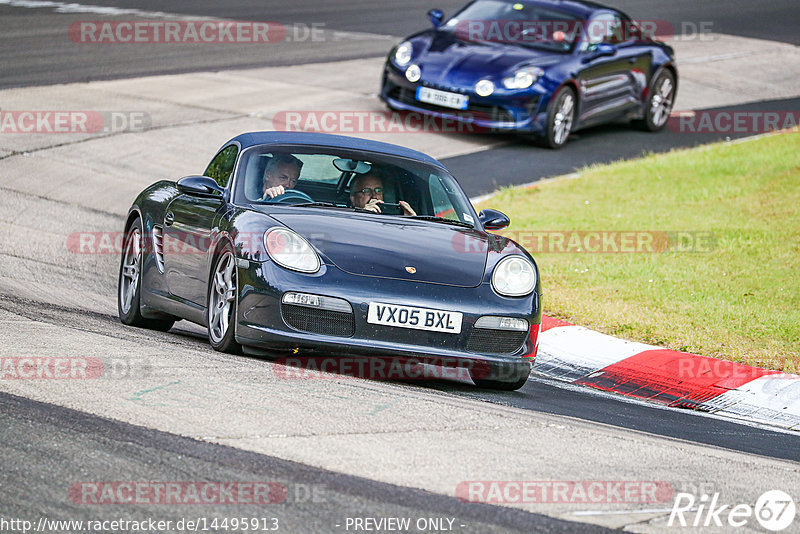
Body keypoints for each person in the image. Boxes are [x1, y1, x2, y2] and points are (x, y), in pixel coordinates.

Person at [349, 171, 416, 216]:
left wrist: (411, 221)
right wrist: (363, 215)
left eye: (378, 190)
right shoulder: (345, 218)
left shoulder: (390, 219)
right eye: (366, 191)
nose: (374, 196)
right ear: (353, 198)